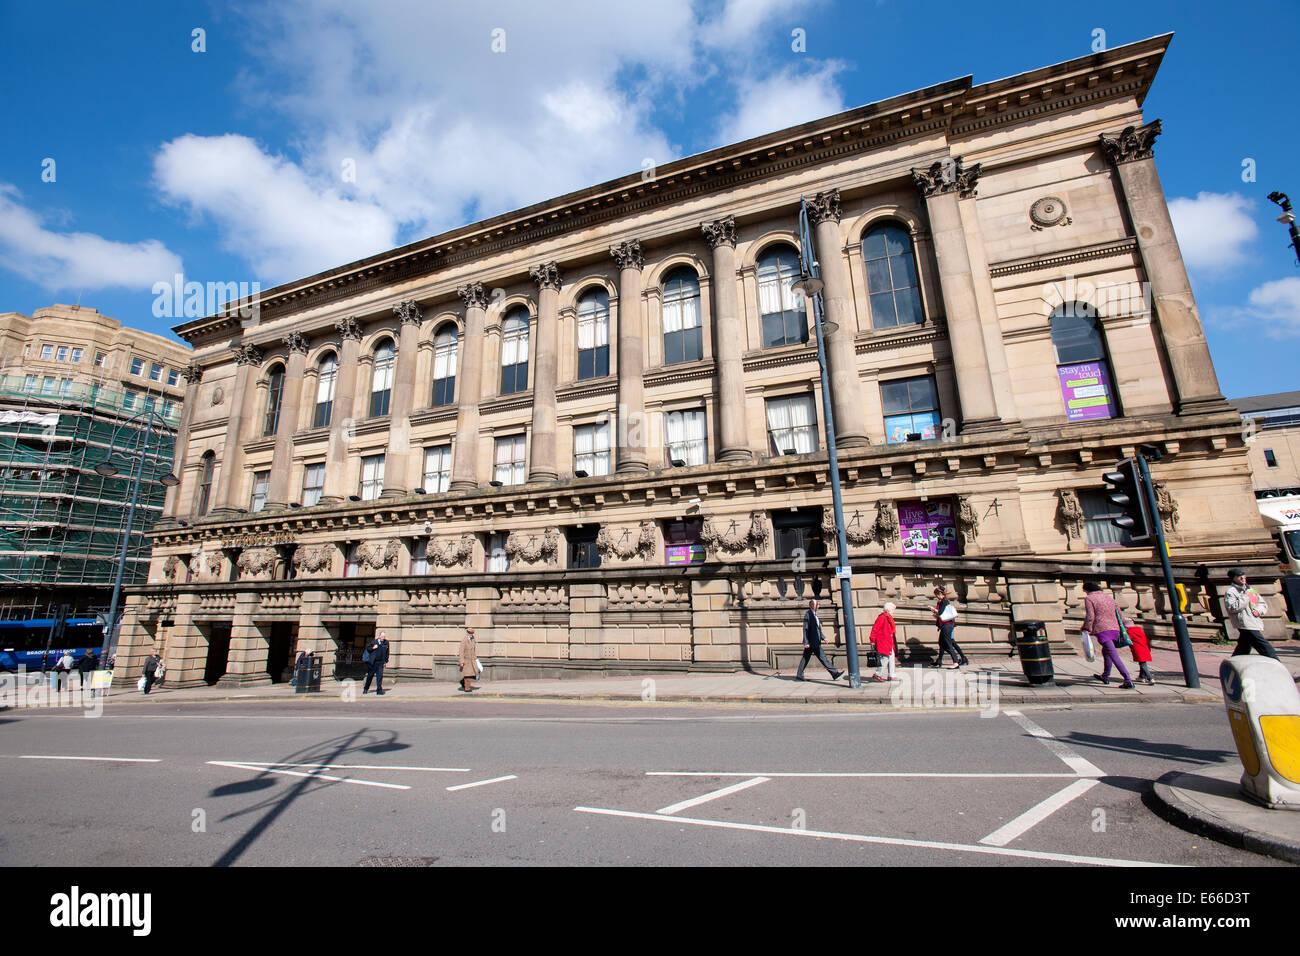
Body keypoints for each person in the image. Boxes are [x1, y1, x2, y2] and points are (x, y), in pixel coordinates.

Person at [1082, 582, 1133, 688]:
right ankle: (1105, 675)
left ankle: (1127, 679)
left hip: (1102, 629)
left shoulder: (1089, 598)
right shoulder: (1108, 597)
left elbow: (1090, 616)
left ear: (1087, 590)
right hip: (1115, 628)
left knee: (1113, 654)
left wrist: (1086, 627)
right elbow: (1119, 612)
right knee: (1106, 652)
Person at [1224, 569, 1279, 659]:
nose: (1242, 578)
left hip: (1254, 621)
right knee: (1264, 647)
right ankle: (1277, 663)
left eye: (1243, 576)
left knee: (1243, 648)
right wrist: (1245, 596)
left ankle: (1232, 665)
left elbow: (1262, 604)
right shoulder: (1231, 592)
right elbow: (1233, 607)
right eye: (1239, 576)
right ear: (1233, 578)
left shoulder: (1251, 590)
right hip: (1244, 623)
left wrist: (1258, 611)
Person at [797, 598, 844, 681]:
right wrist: (806, 642)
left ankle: (799, 674)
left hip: (815, 641)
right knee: (823, 658)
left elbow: (817, 629)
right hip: (812, 642)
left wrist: (823, 637)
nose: (819, 606)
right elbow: (805, 629)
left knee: (806, 658)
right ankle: (834, 673)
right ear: (813, 606)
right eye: (817, 604)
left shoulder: (814, 615)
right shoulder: (808, 614)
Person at [931, 586, 969, 668]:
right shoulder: (941, 602)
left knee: (949, 643)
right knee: (943, 643)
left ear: (941, 594)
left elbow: (941, 613)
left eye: (937, 594)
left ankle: (956, 661)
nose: (936, 596)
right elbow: (941, 615)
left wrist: (933, 610)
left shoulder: (944, 601)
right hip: (944, 625)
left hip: (947, 625)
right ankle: (940, 661)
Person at [870, 603, 900, 683]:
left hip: (888, 641)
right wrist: (872, 640)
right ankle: (878, 674)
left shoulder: (888, 617)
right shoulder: (882, 617)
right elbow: (875, 629)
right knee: (885, 658)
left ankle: (891, 675)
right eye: (893, 610)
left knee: (891, 657)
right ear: (888, 610)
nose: (894, 611)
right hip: (883, 641)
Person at [1125, 619, 1155, 685]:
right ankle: (1141, 677)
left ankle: (1150, 678)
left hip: (1138, 650)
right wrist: (1149, 648)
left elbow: (1127, 640)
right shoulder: (1140, 630)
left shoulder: (1130, 632)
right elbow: (1147, 640)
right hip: (1145, 649)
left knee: (1143, 665)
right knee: (1142, 663)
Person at [457, 627, 478, 692]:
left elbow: (474, 650)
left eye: (472, 633)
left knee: (472, 674)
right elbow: (461, 651)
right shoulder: (464, 640)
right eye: (469, 633)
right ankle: (467, 688)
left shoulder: (473, 639)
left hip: (472, 660)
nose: (471, 634)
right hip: (466, 660)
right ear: (467, 633)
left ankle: (462, 682)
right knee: (467, 674)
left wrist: (475, 659)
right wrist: (461, 661)